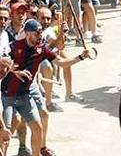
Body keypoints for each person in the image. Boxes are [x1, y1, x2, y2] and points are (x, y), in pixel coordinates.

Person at [2, 19, 92, 156]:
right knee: (6, 133)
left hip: (25, 95)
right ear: (27, 34)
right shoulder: (14, 46)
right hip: (9, 95)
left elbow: (62, 63)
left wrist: (80, 57)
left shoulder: (41, 49)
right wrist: (14, 71)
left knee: (37, 128)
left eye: (40, 32)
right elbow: (2, 63)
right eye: (36, 33)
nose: (39, 35)